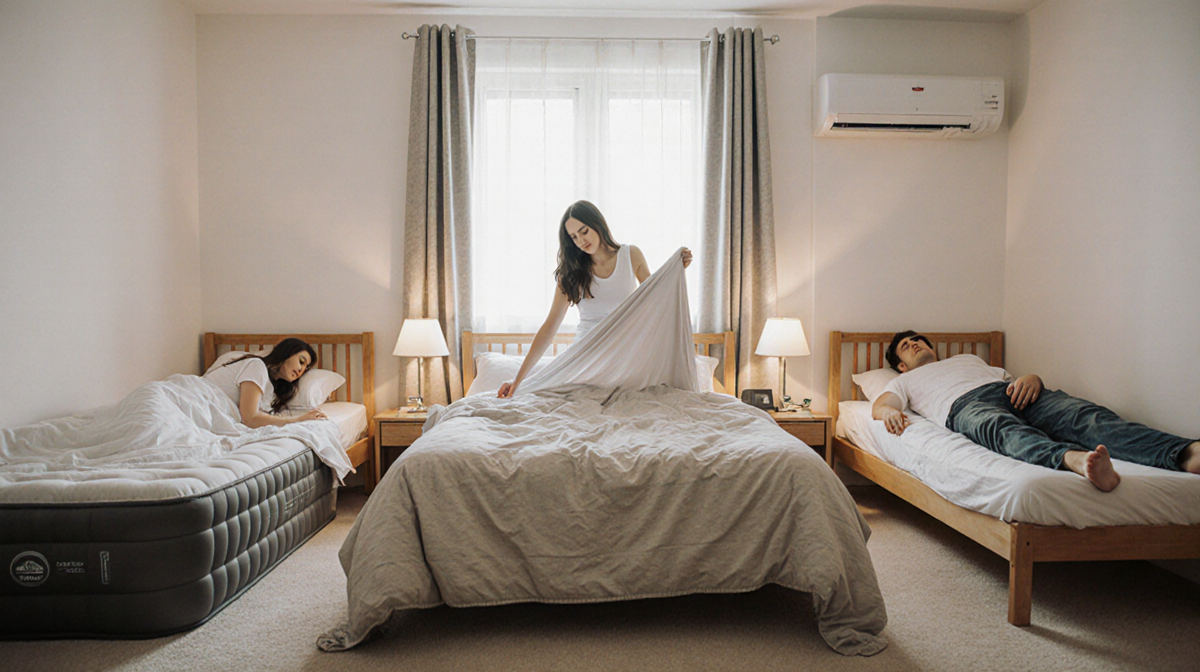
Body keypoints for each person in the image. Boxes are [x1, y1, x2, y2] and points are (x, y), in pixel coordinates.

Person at [873, 330, 1200, 492]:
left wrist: (1033, 378)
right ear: (901, 365)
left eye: (919, 340)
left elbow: (1010, 377)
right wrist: (887, 413)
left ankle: (1185, 452)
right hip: (964, 406)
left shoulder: (967, 360)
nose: (916, 344)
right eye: (907, 346)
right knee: (1004, 433)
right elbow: (881, 405)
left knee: (1084, 417)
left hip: (1014, 391)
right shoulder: (907, 381)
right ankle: (1074, 461)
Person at [497, 200, 692, 398]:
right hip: (586, 357)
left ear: (597, 224)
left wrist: (675, 270)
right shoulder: (571, 274)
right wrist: (518, 379)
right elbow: (549, 329)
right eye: (574, 237)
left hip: (625, 357)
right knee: (541, 391)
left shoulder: (631, 255)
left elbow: (656, 298)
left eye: (584, 231)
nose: (581, 241)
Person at [203, 337, 327, 428]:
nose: (301, 370)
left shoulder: (270, 390)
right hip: (200, 397)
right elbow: (250, 418)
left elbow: (259, 417)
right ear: (287, 353)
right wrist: (299, 420)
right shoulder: (256, 365)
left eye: (306, 368)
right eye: (301, 361)